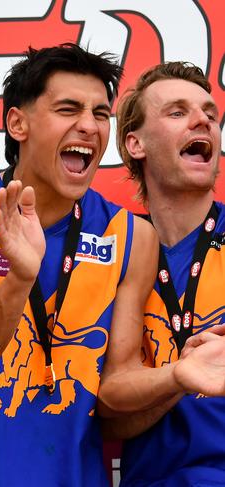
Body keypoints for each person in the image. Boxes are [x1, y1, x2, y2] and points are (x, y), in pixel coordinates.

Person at [0, 43, 159, 486]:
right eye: (69, 109)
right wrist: (20, 278)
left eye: (100, 114)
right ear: (18, 123)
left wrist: (178, 376)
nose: (89, 126)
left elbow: (114, 394)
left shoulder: (131, 236)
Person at [102, 61, 225, 486]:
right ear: (135, 144)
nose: (202, 122)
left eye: (210, 114)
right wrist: (176, 379)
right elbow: (109, 421)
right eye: (177, 112)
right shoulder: (111, 255)